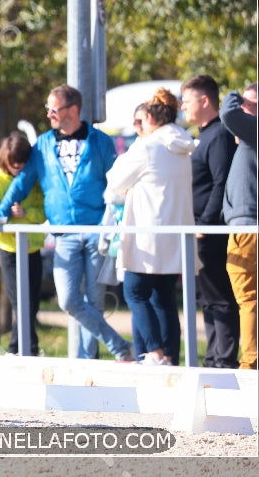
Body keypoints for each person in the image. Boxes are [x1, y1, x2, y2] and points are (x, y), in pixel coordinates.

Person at [0, 84, 133, 362]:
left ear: (73, 110)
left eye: (53, 109)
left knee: (94, 300)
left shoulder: (101, 142)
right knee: (68, 300)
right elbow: (22, 181)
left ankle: (87, 361)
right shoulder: (43, 144)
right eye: (48, 108)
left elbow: (117, 183)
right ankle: (119, 346)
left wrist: (117, 219)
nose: (49, 114)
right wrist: (2, 210)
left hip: (96, 231)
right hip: (64, 235)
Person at [106, 88, 194, 366]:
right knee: (164, 299)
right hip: (174, 236)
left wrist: (128, 185)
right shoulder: (183, 146)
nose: (136, 127)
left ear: (152, 119)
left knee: (135, 292)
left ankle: (154, 352)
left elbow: (114, 183)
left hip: (146, 236)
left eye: (139, 121)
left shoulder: (147, 147)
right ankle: (169, 356)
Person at [180, 74, 239, 368]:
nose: (183, 107)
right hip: (198, 231)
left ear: (205, 100)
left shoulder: (219, 135)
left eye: (187, 101)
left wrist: (205, 224)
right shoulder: (199, 136)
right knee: (208, 299)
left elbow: (220, 183)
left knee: (221, 298)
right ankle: (213, 357)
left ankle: (224, 360)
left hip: (211, 233)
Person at [221, 83, 259, 371]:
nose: (242, 107)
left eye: (249, 103)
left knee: (249, 300)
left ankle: (251, 365)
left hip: (251, 229)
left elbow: (227, 114)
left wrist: (235, 94)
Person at [0, 132, 46, 356]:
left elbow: (44, 211)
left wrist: (25, 214)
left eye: (22, 163)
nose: (17, 167)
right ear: (5, 160)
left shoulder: (34, 180)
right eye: (13, 164)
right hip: (9, 250)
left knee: (32, 303)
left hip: (33, 247)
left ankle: (23, 347)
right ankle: (23, 348)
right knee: (20, 301)